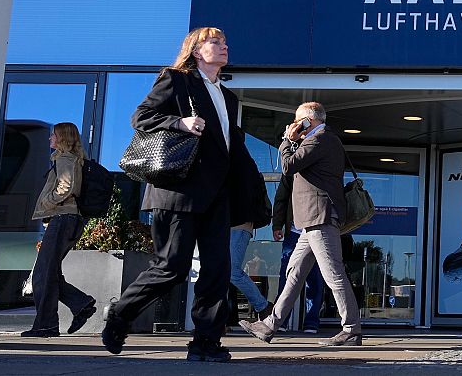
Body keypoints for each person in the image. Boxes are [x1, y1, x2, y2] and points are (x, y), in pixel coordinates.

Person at [102, 27, 247, 363]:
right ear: (196, 51)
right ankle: (121, 313)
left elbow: (229, 148)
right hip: (178, 190)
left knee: (217, 272)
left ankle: (204, 343)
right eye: (215, 42)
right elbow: (140, 117)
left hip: (216, 194)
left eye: (225, 42)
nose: (223, 47)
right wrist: (179, 123)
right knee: (172, 266)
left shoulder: (228, 97)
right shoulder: (177, 79)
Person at [240, 101, 362, 346]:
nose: (294, 125)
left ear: (309, 120)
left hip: (320, 216)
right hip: (310, 219)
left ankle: (351, 329)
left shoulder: (321, 139)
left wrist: (287, 139)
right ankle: (269, 325)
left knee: (333, 274)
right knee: (294, 273)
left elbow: (288, 166)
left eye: (298, 121)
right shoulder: (319, 140)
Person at [21, 122, 96, 338]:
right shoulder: (72, 159)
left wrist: (47, 202)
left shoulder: (64, 159)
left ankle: (46, 325)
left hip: (63, 218)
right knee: (49, 272)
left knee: (43, 274)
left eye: (53, 135)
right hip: (69, 219)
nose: (49, 139)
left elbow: (66, 187)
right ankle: (80, 304)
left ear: (61, 138)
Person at [272, 173, 325, 333]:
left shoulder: (322, 167)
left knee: (314, 278)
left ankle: (311, 321)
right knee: (288, 276)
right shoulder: (291, 171)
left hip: (316, 228)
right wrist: (277, 225)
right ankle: (281, 320)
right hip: (294, 231)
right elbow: (281, 198)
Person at [228, 142, 273, 322]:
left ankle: (263, 306)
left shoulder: (242, 166)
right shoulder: (240, 164)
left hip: (238, 224)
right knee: (221, 273)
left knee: (231, 271)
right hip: (230, 224)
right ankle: (220, 319)